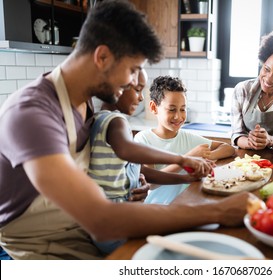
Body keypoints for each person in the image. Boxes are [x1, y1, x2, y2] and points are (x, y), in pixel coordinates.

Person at [0, 0, 250, 260]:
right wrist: (219, 211)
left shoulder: (84, 105)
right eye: (133, 70)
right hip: (43, 244)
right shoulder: (31, 114)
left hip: (81, 229)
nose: (134, 82)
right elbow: (101, 219)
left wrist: (130, 183)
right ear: (103, 57)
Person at [89, 70, 214, 254]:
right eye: (138, 90)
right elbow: (128, 150)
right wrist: (181, 159)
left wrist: (186, 179)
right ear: (119, 88)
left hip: (113, 220)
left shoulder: (104, 118)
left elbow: (145, 172)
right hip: (117, 221)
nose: (140, 99)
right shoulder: (116, 120)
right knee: (193, 227)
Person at [134, 75, 236, 204]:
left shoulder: (187, 137)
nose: (178, 116)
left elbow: (228, 148)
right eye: (172, 109)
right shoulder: (143, 139)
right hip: (159, 209)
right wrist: (188, 158)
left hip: (187, 202)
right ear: (154, 108)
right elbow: (151, 182)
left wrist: (205, 157)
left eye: (183, 109)